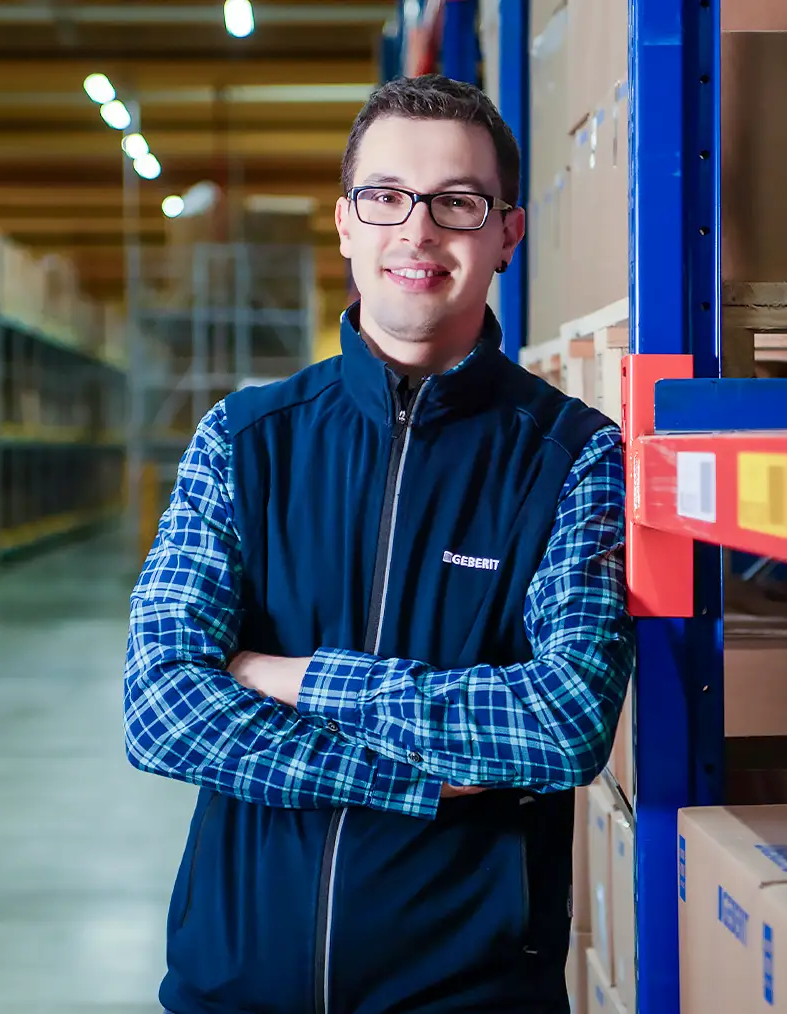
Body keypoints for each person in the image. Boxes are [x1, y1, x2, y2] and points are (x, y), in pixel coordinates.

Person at [123, 73, 634, 1014]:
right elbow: (161, 709)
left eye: (458, 203)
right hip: (235, 983)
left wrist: (293, 677)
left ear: (507, 235)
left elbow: (563, 722)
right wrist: (412, 779)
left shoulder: (573, 457)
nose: (417, 230)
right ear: (347, 222)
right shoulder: (244, 440)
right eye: (387, 197)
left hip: (470, 993)